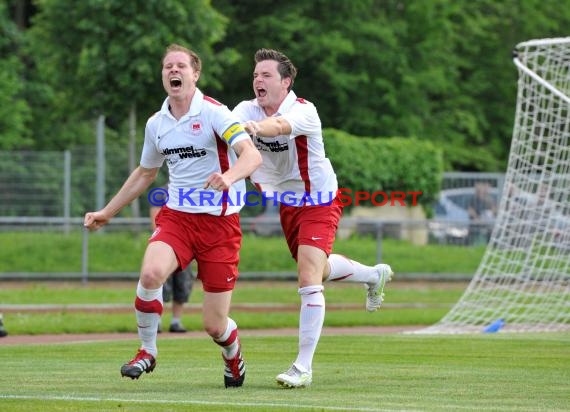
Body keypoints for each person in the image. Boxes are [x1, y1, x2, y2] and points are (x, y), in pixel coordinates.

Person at [84, 44, 262, 388]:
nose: (173, 71)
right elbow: (145, 173)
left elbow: (251, 156)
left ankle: (233, 354)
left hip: (220, 225)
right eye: (168, 66)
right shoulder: (157, 123)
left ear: (195, 74)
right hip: (178, 218)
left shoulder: (215, 113)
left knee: (214, 325)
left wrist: (228, 177)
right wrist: (108, 212)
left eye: (181, 66)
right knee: (151, 274)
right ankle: (147, 351)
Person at [233, 48, 394, 388]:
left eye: (266, 75)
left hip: (319, 198)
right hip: (287, 203)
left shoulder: (304, 110)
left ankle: (302, 367)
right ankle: (372, 275)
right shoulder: (246, 109)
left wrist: (255, 128)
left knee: (308, 274)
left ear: (285, 82)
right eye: (255, 75)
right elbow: (230, 134)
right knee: (316, 267)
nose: (258, 80)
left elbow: (277, 126)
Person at [149, 200, 193, 333]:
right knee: (160, 284)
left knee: (183, 284)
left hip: (186, 246)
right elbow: (155, 219)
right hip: (166, 245)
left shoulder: (191, 191)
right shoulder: (162, 192)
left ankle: (176, 322)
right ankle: (156, 322)